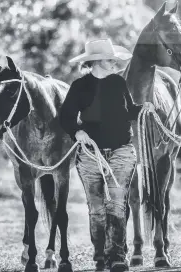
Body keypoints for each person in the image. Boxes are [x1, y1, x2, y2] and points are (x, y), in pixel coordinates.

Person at [59, 39, 155, 272]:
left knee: (117, 206)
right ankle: (100, 252)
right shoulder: (79, 86)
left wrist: (143, 108)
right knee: (97, 208)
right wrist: (77, 131)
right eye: (110, 59)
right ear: (97, 61)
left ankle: (117, 257)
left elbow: (128, 109)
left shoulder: (118, 83)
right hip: (91, 155)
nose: (115, 63)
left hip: (122, 151)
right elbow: (66, 116)